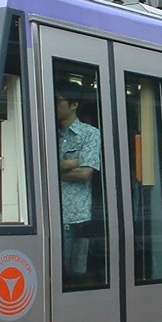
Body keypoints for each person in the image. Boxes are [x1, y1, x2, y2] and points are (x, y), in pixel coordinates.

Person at [55, 81, 102, 279]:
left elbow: (85, 173)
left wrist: (57, 167)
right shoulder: (49, 133)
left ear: (74, 105)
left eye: (58, 102)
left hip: (75, 219)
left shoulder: (90, 133)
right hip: (50, 216)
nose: (54, 105)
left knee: (69, 274)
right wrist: (70, 163)